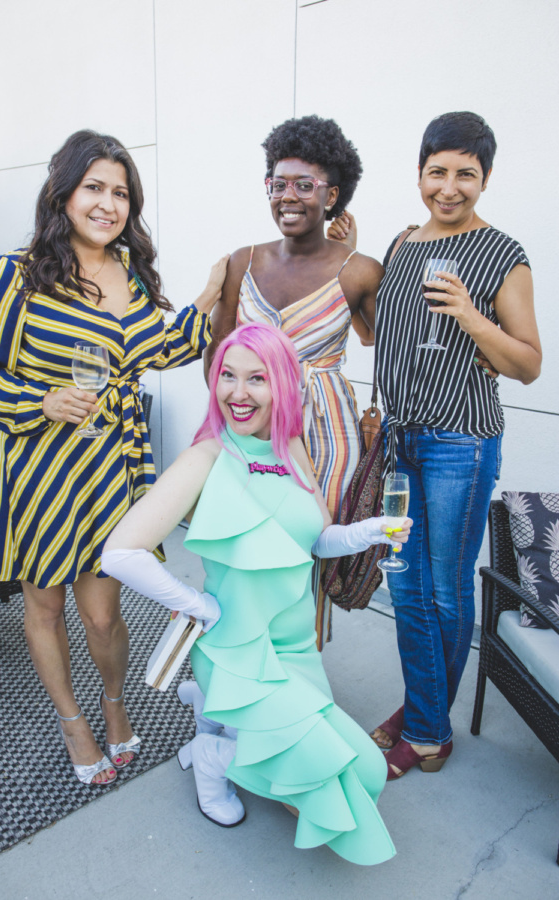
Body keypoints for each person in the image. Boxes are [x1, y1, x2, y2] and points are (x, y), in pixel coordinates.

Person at [0, 130, 227, 785]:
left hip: (108, 469)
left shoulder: (131, 278)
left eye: (121, 193)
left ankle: (113, 704)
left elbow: (156, 351)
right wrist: (43, 400)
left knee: (103, 612)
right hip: (38, 469)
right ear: (64, 192)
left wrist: (215, 288)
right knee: (45, 607)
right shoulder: (15, 275)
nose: (108, 204)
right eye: (95, 188)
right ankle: (72, 720)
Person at [102, 322, 411, 865]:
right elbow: (119, 554)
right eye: (227, 375)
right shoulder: (206, 456)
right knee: (321, 778)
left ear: (283, 387)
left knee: (362, 770)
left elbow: (316, 540)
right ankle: (212, 755)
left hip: (295, 647)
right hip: (236, 649)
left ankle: (213, 715)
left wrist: (369, 531)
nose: (238, 392)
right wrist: (198, 606)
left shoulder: (291, 448)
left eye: (256, 378)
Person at [334, 111, 542, 779]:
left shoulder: (504, 255)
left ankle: (426, 731)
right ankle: (425, 708)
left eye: (465, 174)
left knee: (444, 591)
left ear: (485, 178)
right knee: (408, 582)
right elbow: (375, 337)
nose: (449, 187)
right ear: (419, 172)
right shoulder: (401, 246)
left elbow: (528, 364)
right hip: (402, 442)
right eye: (437, 172)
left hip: (461, 445)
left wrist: (471, 316)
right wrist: (355, 261)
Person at [207, 115, 382, 649]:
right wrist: (222, 424)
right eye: (278, 183)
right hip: (253, 427)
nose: (288, 195)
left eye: (305, 185)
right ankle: (251, 662)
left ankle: (300, 676)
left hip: (327, 431)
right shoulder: (244, 260)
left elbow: (381, 343)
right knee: (251, 550)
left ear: (333, 195)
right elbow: (217, 349)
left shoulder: (360, 270)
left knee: (309, 550)